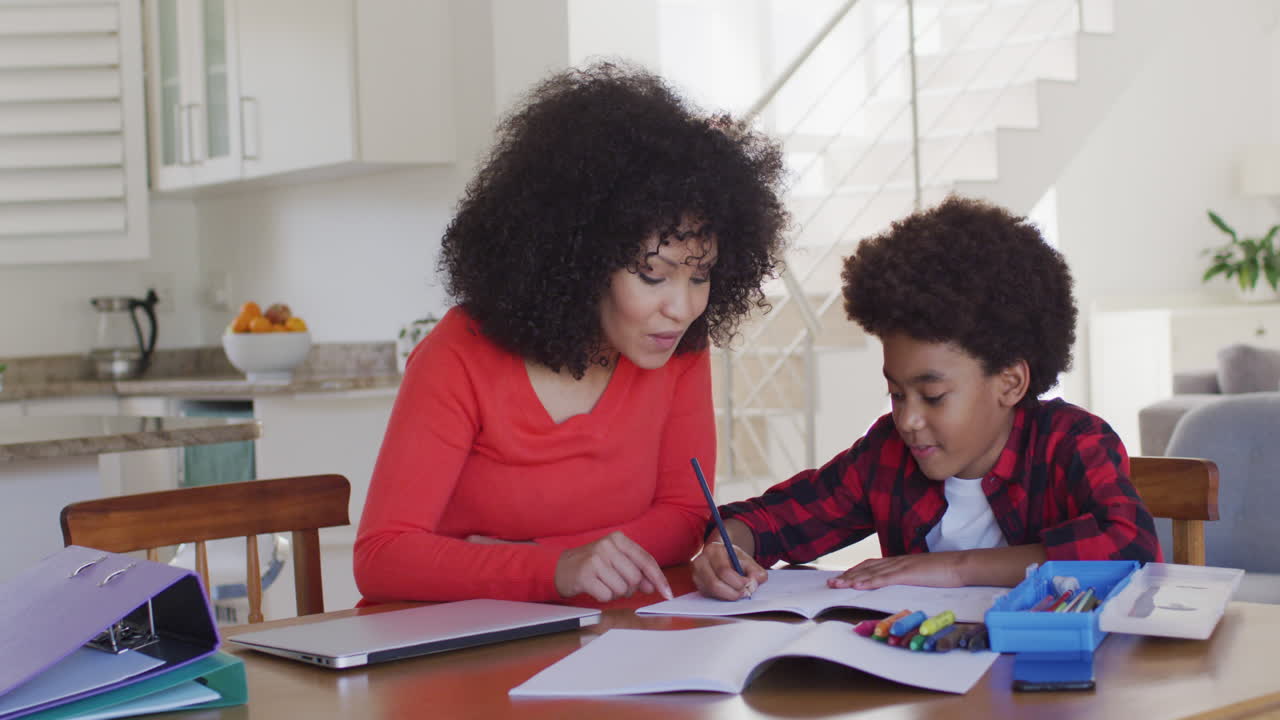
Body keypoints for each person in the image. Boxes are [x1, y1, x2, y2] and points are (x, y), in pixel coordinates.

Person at [355, 62, 788, 606]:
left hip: (616, 633)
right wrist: (556, 569)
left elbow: (684, 519)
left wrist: (553, 558)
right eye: (652, 275)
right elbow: (382, 556)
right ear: (580, 262)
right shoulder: (459, 354)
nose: (682, 309)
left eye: (700, 276)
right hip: (463, 638)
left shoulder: (678, 349)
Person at [693, 196, 1162, 601]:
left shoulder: (1073, 442)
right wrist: (726, 547)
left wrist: (956, 568)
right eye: (896, 393)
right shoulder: (888, 456)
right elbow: (772, 520)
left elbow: (1130, 548)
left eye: (932, 396)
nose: (908, 420)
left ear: (1010, 383)